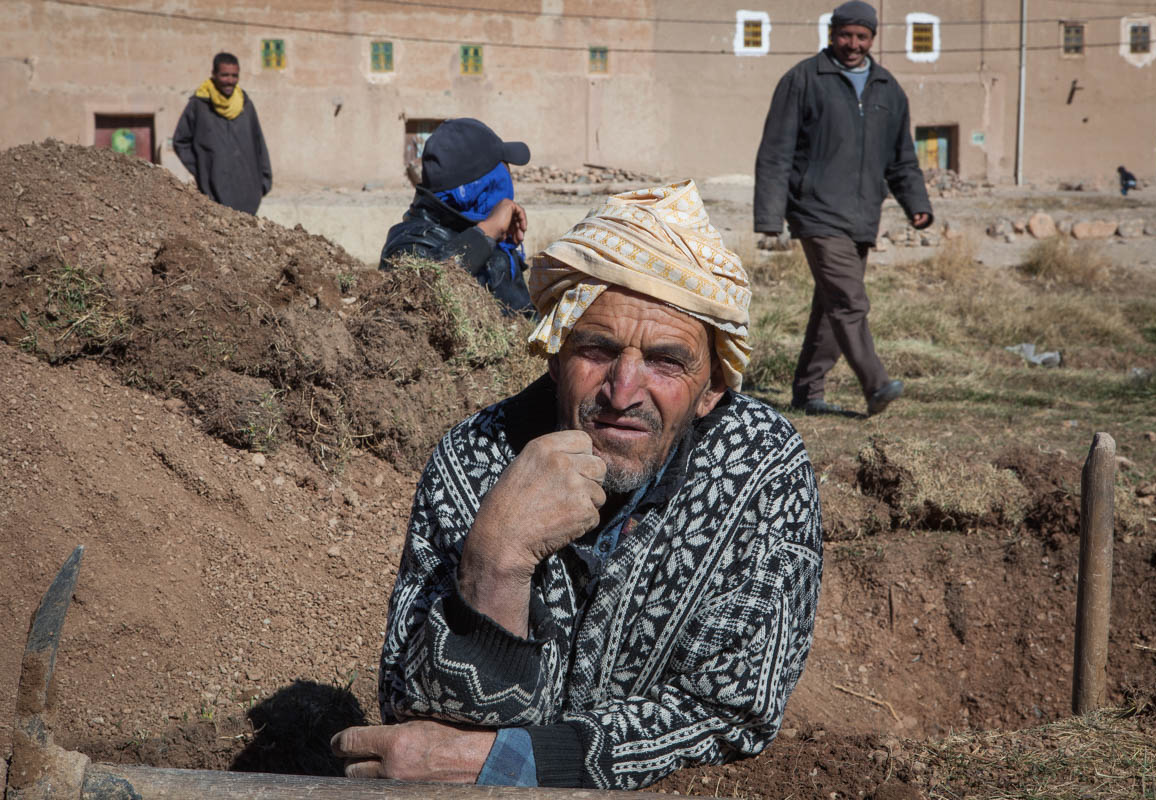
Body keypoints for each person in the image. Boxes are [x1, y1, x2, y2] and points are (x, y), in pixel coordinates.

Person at [333, 181, 823, 789]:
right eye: (596, 349)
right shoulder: (474, 457)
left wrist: (512, 762)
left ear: (713, 387)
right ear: (555, 352)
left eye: (666, 361)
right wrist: (497, 560)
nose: (623, 391)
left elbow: (730, 711)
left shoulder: (762, 468)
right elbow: (420, 718)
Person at [754, 0, 932, 417]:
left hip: (862, 216)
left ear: (873, 38)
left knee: (830, 306)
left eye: (862, 36)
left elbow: (901, 157)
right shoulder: (803, 79)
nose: (853, 44)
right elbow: (775, 151)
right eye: (845, 35)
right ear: (832, 34)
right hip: (815, 210)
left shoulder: (889, 88)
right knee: (849, 301)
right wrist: (769, 217)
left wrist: (916, 203)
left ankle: (807, 393)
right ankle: (876, 384)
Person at [381, 118, 533, 315]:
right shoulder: (409, 243)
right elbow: (422, 293)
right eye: (503, 170)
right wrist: (485, 233)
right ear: (482, 187)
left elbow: (524, 318)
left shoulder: (496, 237)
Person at [173, 52, 272, 215]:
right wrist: (202, 169)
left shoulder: (245, 105)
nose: (230, 80)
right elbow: (181, 141)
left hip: (248, 191)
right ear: (214, 75)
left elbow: (258, 143)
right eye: (225, 75)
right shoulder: (199, 105)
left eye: (234, 75)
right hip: (214, 192)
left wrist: (264, 182)